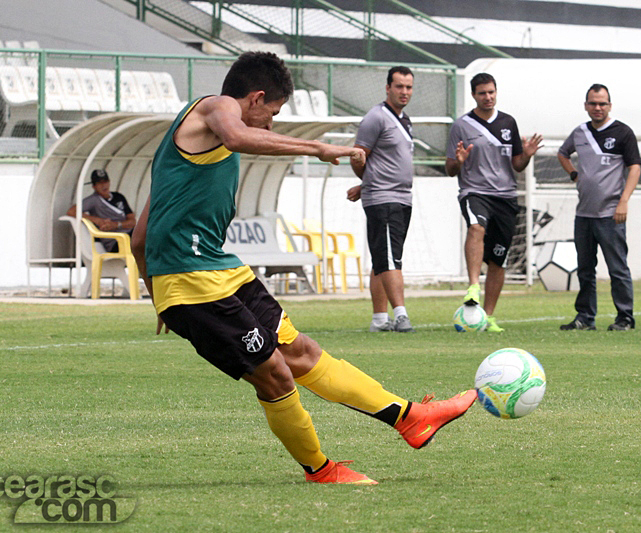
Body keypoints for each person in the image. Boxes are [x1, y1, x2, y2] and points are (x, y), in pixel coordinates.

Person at [130, 52, 476, 486]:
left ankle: (411, 418)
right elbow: (236, 136)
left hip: (218, 272)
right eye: (273, 114)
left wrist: (158, 296)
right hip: (191, 280)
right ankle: (321, 470)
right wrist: (318, 148)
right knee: (274, 374)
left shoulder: (186, 149)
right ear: (256, 98)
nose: (270, 124)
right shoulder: (216, 107)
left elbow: (140, 238)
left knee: (302, 353)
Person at [445, 72, 543, 333]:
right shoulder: (462, 125)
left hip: (506, 197)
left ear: (496, 92)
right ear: (473, 95)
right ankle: (473, 286)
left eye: (491, 92)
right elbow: (450, 169)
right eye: (482, 93)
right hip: (474, 192)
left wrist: (527, 155)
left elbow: (517, 165)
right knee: (476, 227)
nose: (487, 97)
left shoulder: (508, 122)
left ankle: (487, 317)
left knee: (499, 260)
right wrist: (459, 161)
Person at [557, 83, 641, 331]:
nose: (598, 107)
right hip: (583, 213)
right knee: (585, 269)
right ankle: (585, 317)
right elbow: (562, 154)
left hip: (610, 214)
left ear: (610, 105)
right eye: (593, 103)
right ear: (586, 105)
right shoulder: (580, 132)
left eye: (602, 103)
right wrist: (574, 174)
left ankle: (625, 317)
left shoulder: (623, 132)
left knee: (617, 268)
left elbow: (635, 168)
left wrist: (623, 201)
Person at [347, 66, 416, 333]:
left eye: (408, 87)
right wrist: (370, 184)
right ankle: (401, 315)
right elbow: (358, 156)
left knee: (382, 258)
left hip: (402, 196)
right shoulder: (376, 117)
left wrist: (365, 184)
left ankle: (379, 320)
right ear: (388, 88)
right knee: (390, 258)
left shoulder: (405, 120)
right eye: (399, 86)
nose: (404, 92)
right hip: (384, 198)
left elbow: (385, 161)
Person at [66, 169, 136, 253]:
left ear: (109, 182)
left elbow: (133, 221)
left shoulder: (119, 197)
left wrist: (116, 225)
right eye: (99, 183)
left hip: (130, 234)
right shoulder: (94, 200)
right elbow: (71, 211)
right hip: (115, 241)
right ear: (94, 186)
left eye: (105, 181)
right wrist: (96, 220)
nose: (103, 185)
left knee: (147, 233)